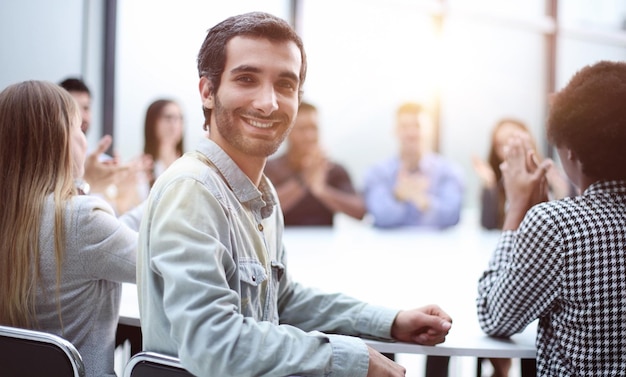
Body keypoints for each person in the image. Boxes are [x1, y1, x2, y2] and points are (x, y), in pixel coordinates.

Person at [137, 11, 452, 377]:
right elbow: (214, 345)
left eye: (285, 85)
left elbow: (280, 301)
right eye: (247, 79)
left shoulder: (259, 192)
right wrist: (350, 359)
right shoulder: (194, 190)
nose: (268, 102)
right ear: (208, 92)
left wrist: (390, 321)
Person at [476, 60, 626, 375]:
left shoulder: (554, 225)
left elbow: (493, 315)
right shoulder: (556, 223)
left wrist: (517, 210)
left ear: (570, 152)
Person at [0, 80, 139, 377]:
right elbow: (163, 263)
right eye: (80, 129)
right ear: (61, 140)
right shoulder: (82, 221)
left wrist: (87, 186)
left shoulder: (13, 215)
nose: (85, 141)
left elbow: (100, 246)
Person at [362, 101, 465, 229]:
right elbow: (379, 216)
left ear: (430, 129)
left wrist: (422, 200)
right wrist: (398, 195)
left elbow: (452, 217)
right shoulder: (378, 173)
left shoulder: (448, 171)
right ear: (394, 130)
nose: (411, 133)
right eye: (404, 126)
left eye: (417, 126)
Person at [59, 77, 151, 215]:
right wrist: (85, 182)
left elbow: (113, 227)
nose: (81, 116)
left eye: (86, 108)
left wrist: (124, 196)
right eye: (73, 108)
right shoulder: (43, 168)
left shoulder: (105, 165)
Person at [264, 101, 366, 225]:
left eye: (314, 128)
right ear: (287, 132)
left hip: (325, 243)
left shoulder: (334, 170)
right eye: (302, 129)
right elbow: (263, 210)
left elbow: (360, 212)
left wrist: (322, 191)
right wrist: (303, 181)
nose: (310, 136)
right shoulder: (271, 168)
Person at [472, 118, 574, 230]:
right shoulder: (500, 184)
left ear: (528, 138)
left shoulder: (553, 176)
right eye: (500, 144)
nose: (507, 148)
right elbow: (488, 225)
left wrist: (562, 192)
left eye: (512, 139)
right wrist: (489, 184)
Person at [143, 98, 185, 187]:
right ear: (153, 122)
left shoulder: (189, 166)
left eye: (179, 118)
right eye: (168, 118)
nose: (175, 124)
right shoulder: (141, 169)